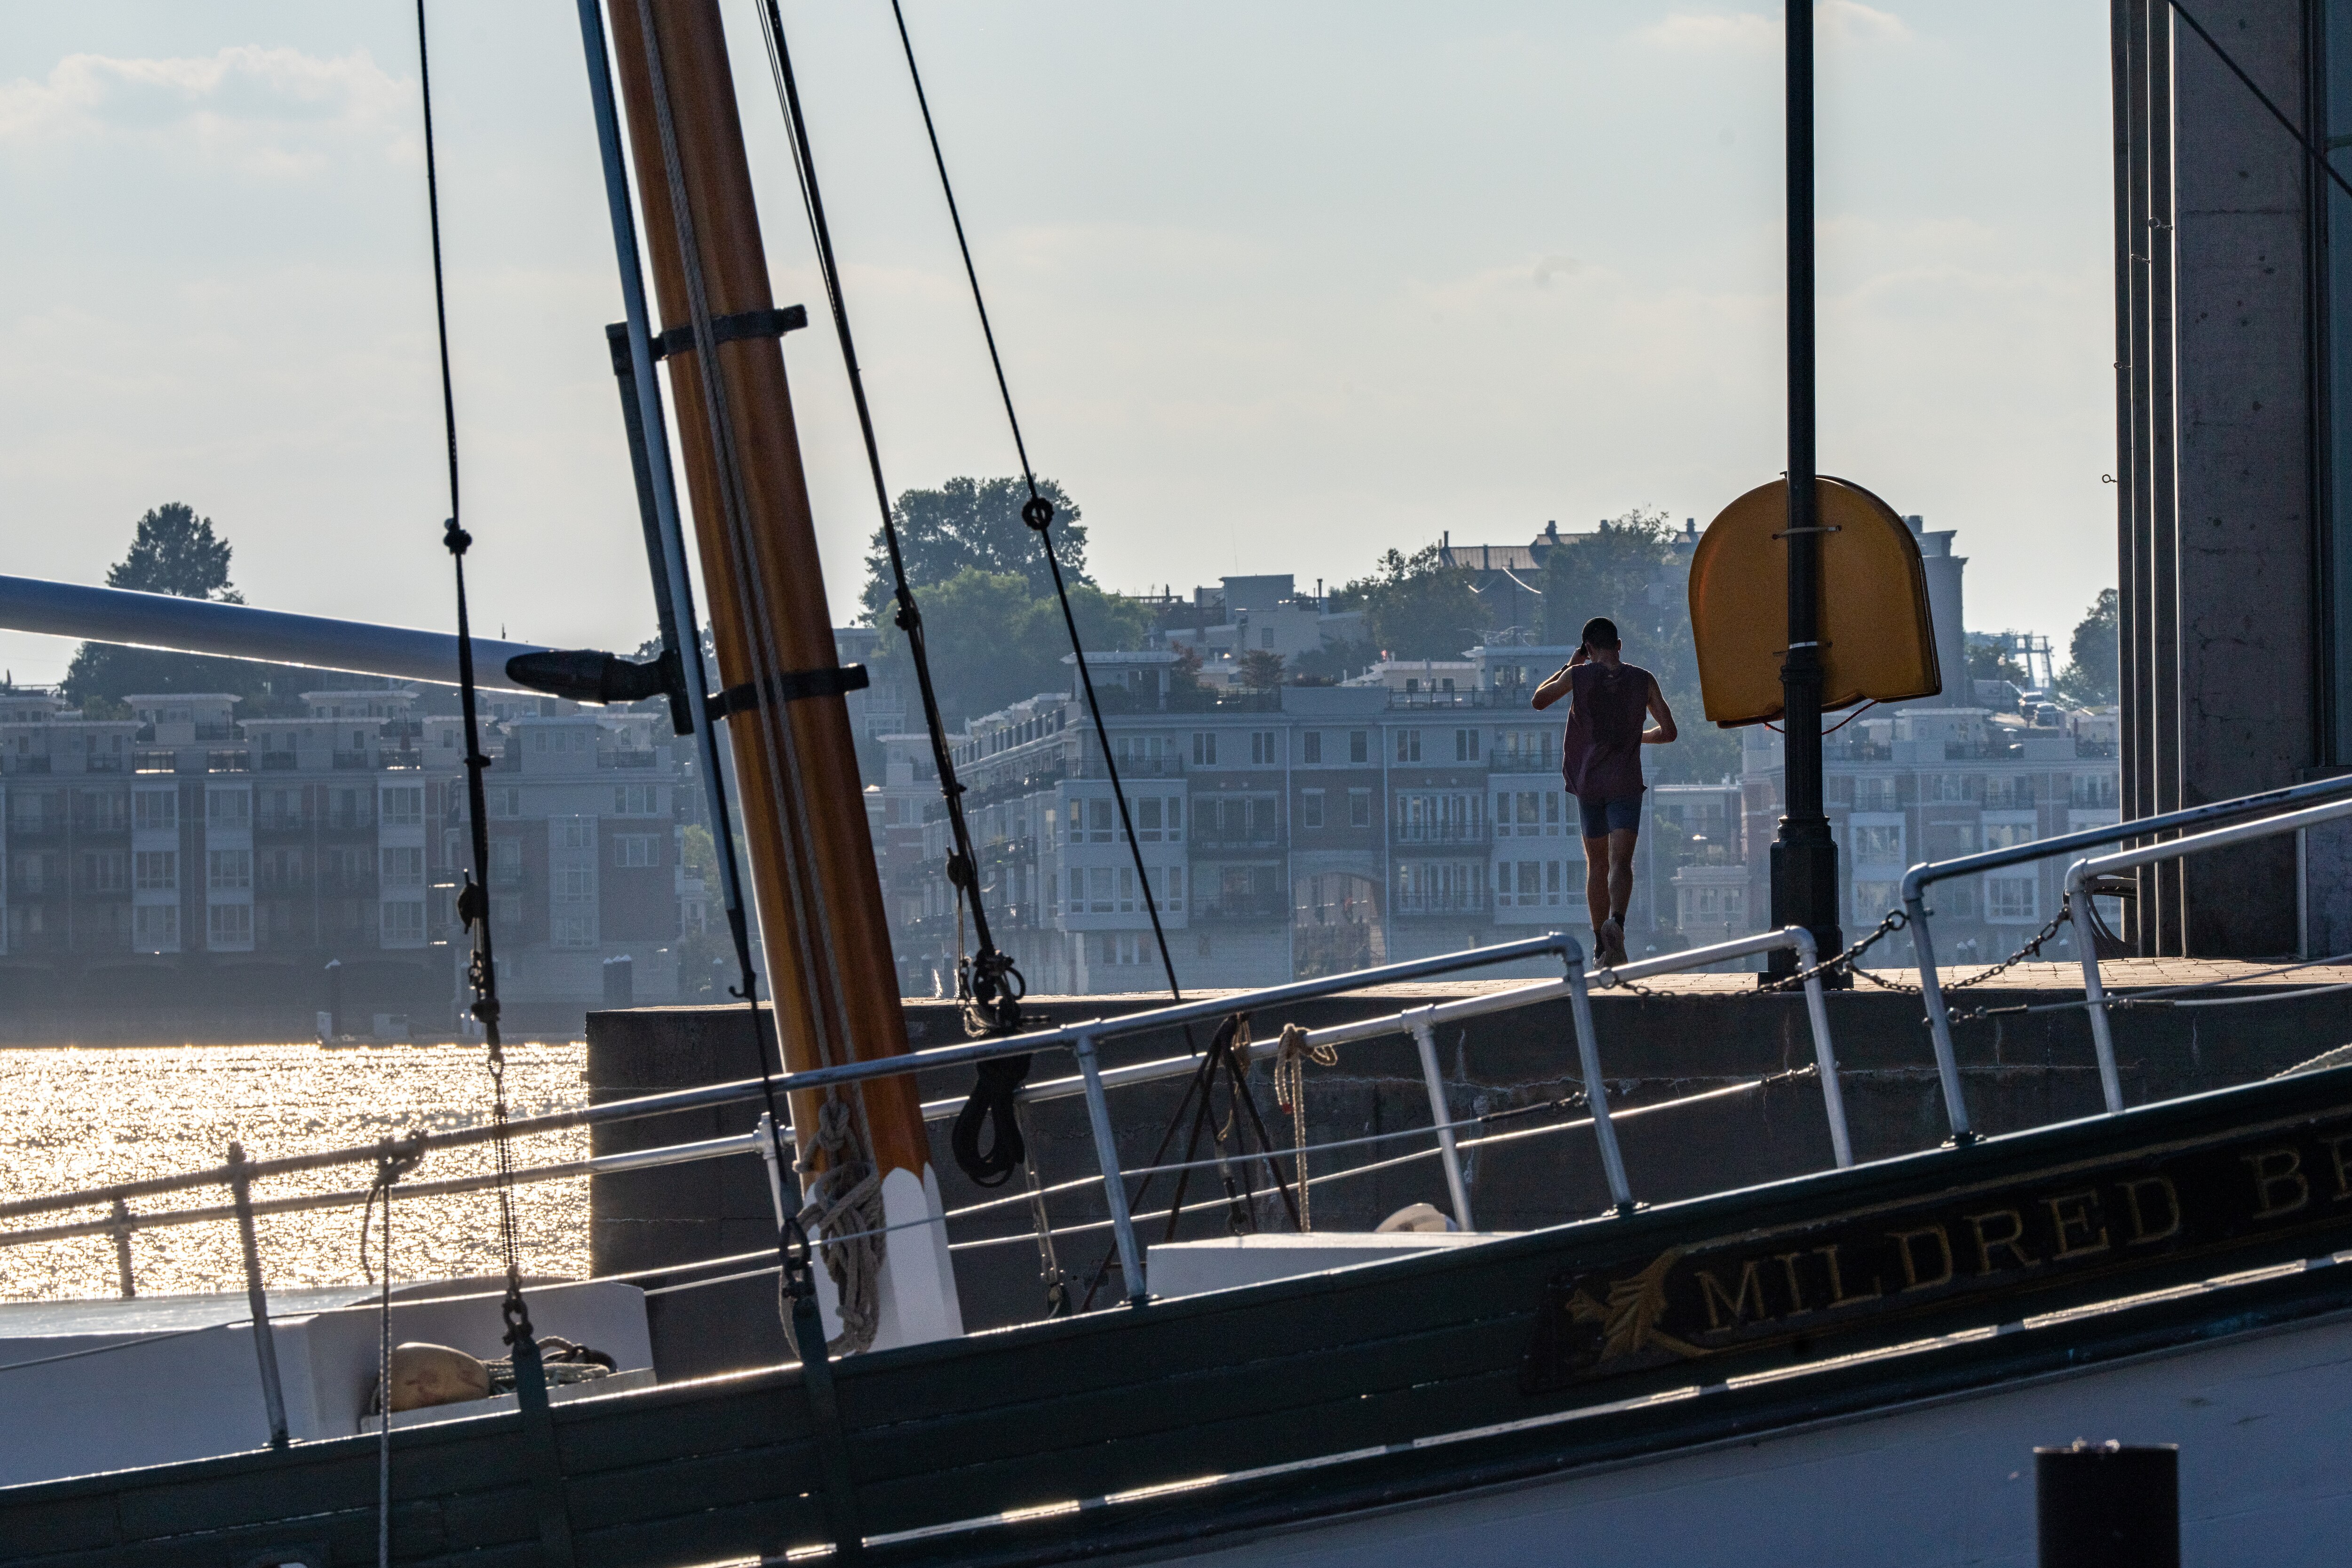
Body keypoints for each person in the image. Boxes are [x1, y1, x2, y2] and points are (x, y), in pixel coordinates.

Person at [1532, 616, 1677, 968]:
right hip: (1626, 782)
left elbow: (1539, 700)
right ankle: (1618, 925)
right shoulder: (1643, 680)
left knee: (1597, 864)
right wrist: (1640, 737)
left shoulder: (1578, 675)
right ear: (1620, 645)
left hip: (1590, 783)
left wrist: (1571, 665)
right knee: (1622, 863)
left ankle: (1600, 945)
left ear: (1589, 649)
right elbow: (1670, 731)